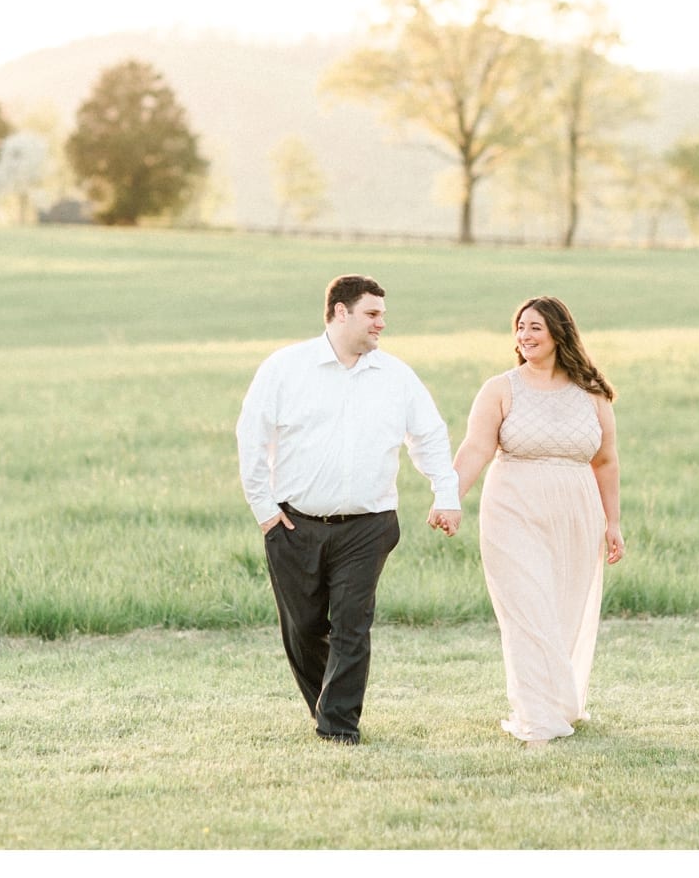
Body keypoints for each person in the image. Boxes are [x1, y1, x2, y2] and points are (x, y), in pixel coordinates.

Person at [236, 274, 461, 745]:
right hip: (295, 524)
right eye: (372, 314)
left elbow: (430, 436)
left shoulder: (396, 376)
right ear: (341, 312)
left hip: (369, 525)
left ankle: (338, 726)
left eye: (382, 314)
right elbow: (251, 437)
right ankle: (326, 703)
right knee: (303, 628)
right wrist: (265, 511)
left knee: (352, 625)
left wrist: (446, 494)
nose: (382, 323)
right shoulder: (285, 368)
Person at [430, 295, 623, 747]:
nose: (524, 335)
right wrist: (449, 498)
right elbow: (475, 448)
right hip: (512, 511)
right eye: (520, 327)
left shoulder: (592, 394)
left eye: (534, 327)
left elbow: (607, 461)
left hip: (576, 514)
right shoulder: (501, 388)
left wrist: (612, 523)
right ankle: (537, 716)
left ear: (559, 332)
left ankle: (559, 699)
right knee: (527, 611)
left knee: (562, 611)